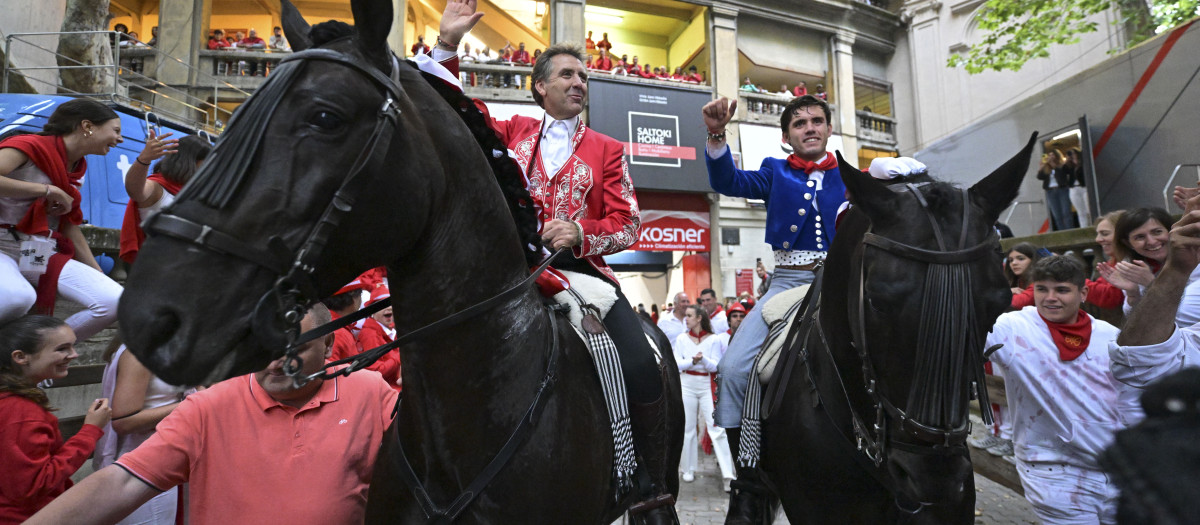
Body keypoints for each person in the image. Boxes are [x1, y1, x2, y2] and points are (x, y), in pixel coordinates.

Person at [431, 3, 674, 519]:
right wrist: (447, 45)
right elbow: (452, 113)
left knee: (642, 365)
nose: (579, 82)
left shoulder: (607, 148)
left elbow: (629, 223)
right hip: (511, 270)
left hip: (583, 275)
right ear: (539, 86)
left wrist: (580, 232)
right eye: (567, 74)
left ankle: (650, 485)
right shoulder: (513, 129)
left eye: (584, 76)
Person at [27, 305, 400, 525]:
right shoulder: (209, 407)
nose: (275, 362)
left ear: (330, 345)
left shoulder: (368, 391)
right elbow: (123, 483)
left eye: (295, 348)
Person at [701, 93, 846, 520]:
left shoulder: (852, 177)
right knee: (732, 369)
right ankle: (748, 480)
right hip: (787, 283)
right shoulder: (774, 171)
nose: (810, 128)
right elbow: (729, 182)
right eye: (799, 124)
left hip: (840, 283)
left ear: (829, 128)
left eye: (817, 120)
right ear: (787, 137)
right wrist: (715, 135)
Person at [985, 256, 1132, 524]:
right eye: (1042, 289)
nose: (1050, 298)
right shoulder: (1011, 328)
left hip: (1117, 470)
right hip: (1051, 471)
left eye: (1062, 290)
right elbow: (959, 332)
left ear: (1083, 293)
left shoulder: (1111, 336)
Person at [0, 99, 124, 341]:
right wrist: (48, 190)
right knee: (19, 297)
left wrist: (97, 272)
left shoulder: (77, 167)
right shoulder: (27, 146)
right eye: (116, 131)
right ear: (87, 126)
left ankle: (41, 352)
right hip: (2, 244)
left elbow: (68, 225)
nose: (119, 139)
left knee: (112, 301)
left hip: (36, 249)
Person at [0, 315, 111, 523]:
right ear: (21, 357)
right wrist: (90, 431)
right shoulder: (21, 414)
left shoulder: (15, 401)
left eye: (73, 347)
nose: (74, 354)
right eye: (62, 349)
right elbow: (33, 487)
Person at [92, 337, 186, 525]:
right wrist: (193, 404)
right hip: (143, 461)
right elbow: (123, 421)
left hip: (169, 452)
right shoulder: (140, 352)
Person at [118, 133, 211, 264]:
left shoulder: (196, 194)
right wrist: (144, 159)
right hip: (158, 268)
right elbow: (135, 191)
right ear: (190, 162)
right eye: (206, 164)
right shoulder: (157, 187)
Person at [672, 305, 735, 491]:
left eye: (690, 316)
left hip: (706, 383)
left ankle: (728, 474)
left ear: (699, 318)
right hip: (687, 383)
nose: (686, 319)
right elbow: (676, 362)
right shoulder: (682, 338)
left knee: (717, 429)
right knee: (688, 428)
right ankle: (688, 469)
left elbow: (715, 365)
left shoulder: (713, 339)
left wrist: (703, 360)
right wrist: (693, 361)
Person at [356, 287, 401, 391]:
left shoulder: (394, 331)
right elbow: (376, 371)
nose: (389, 308)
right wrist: (400, 356)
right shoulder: (369, 334)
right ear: (372, 312)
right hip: (388, 392)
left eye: (391, 303)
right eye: (382, 305)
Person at [1065, 148, 1090, 227]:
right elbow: (1063, 173)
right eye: (1070, 154)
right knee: (1080, 211)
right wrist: (1067, 161)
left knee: (1088, 209)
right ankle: (1084, 228)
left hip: (1084, 187)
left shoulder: (1083, 162)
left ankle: (1092, 225)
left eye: (1073, 153)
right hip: (1074, 188)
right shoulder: (1069, 165)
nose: (1072, 155)